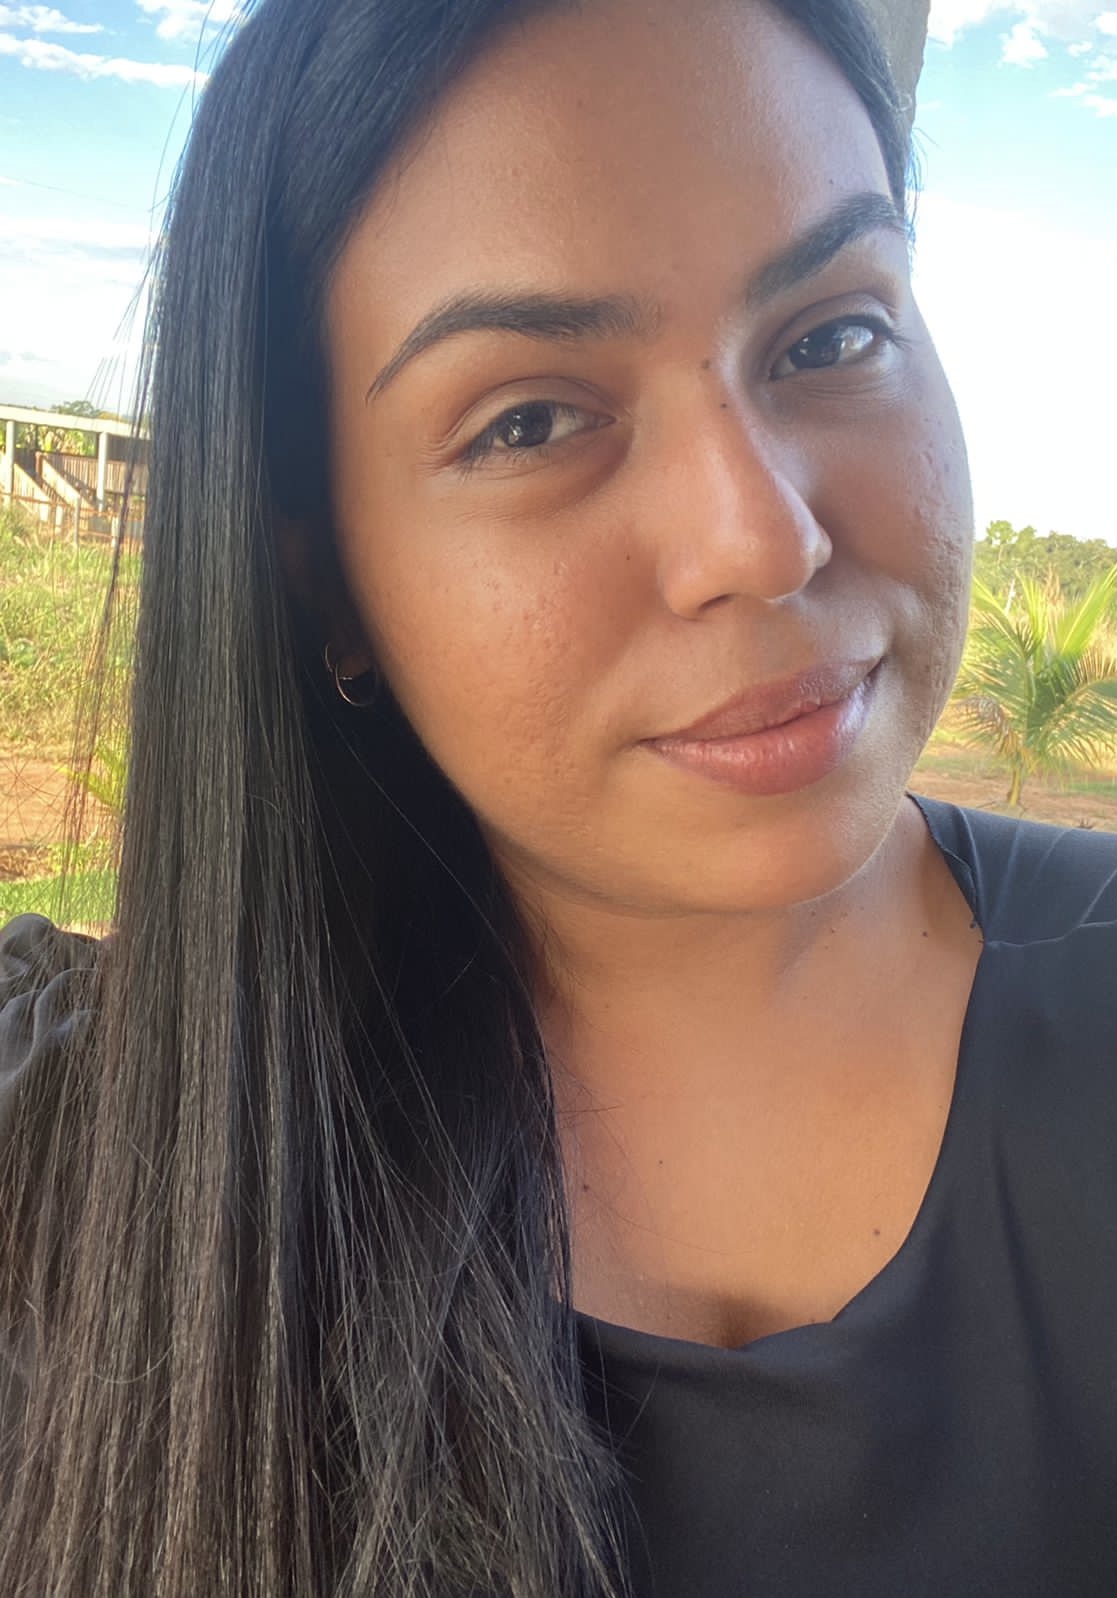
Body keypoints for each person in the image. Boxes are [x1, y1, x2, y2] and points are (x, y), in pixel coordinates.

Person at [1, 0, 1113, 1593]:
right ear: (321, 576)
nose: (761, 539)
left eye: (831, 335)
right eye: (527, 419)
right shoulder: (72, 1181)